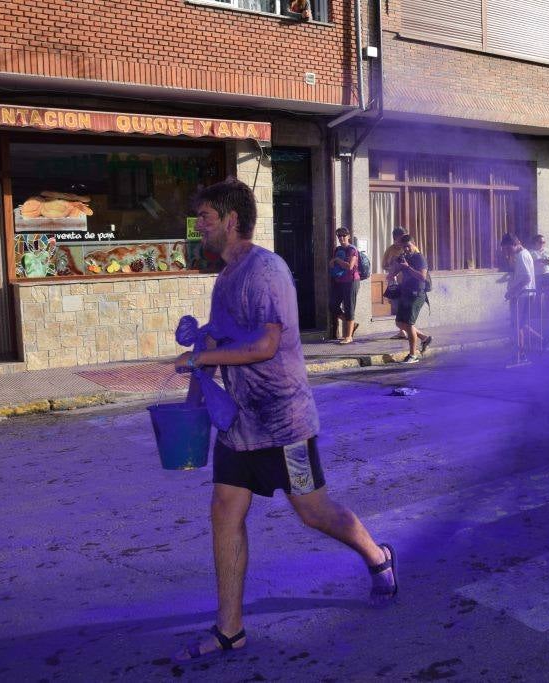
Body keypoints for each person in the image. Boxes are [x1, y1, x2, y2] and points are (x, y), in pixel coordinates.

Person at [173, 178, 397, 662]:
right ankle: (230, 629)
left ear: (231, 221)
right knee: (224, 511)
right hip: (239, 427)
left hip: (284, 425)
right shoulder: (226, 278)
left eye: (206, 219)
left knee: (313, 512)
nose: (200, 228)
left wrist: (205, 357)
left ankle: (378, 556)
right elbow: (221, 345)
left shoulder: (267, 270)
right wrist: (199, 351)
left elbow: (266, 345)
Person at [388, 234, 432, 363]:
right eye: (403, 247)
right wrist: (393, 272)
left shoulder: (420, 258)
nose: (406, 249)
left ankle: (413, 355)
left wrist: (407, 267)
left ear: (413, 244)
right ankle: (424, 338)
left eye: (408, 246)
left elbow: (422, 277)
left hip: (417, 294)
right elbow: (396, 271)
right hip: (405, 292)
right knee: (399, 322)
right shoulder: (405, 257)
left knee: (408, 324)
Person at [501, 233, 536, 363]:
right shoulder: (523, 254)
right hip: (524, 294)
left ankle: (520, 355)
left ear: (515, 244)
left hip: (522, 295)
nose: (507, 251)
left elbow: (527, 278)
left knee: (518, 325)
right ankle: (520, 353)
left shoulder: (521, 256)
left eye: (508, 248)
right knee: (519, 324)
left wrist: (512, 292)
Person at [382, 227, 419, 340]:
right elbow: (384, 265)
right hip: (395, 283)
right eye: (400, 239)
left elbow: (418, 264)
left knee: (407, 309)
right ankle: (402, 331)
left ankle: (413, 332)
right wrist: (392, 266)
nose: (403, 242)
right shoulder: (390, 249)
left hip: (408, 283)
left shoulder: (412, 249)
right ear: (395, 239)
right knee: (397, 307)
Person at [329, 227, 360, 344]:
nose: (341, 238)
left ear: (348, 236)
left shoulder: (352, 250)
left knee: (349, 307)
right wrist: (332, 263)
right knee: (332, 305)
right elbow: (333, 264)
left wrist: (336, 260)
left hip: (351, 282)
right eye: (339, 236)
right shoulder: (337, 249)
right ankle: (353, 324)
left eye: (343, 236)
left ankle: (348, 336)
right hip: (339, 281)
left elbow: (349, 266)